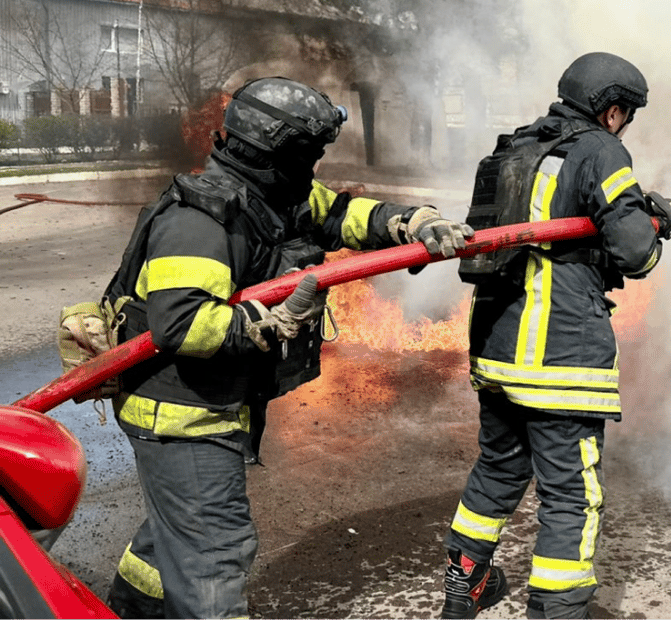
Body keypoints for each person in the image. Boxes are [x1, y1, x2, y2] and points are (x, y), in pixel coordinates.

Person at [103, 76, 474, 620]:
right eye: (311, 154)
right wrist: (270, 324)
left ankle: (127, 610)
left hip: (208, 404)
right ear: (279, 151)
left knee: (174, 533)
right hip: (184, 416)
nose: (316, 167)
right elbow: (179, 326)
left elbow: (343, 215)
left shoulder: (271, 196)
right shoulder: (201, 219)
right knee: (214, 552)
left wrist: (410, 221)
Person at [437, 52, 671, 620]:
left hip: (497, 352)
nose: (624, 123)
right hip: (560, 361)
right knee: (571, 499)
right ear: (611, 109)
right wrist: (657, 226)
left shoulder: (512, 151)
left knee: (500, 468)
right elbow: (636, 254)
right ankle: (557, 613)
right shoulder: (601, 150)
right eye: (625, 113)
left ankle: (465, 584)